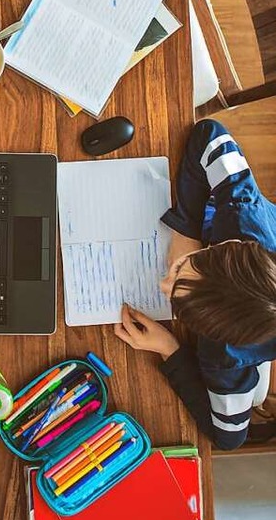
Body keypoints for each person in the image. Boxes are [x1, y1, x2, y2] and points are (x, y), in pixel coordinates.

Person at [113, 119, 276, 450]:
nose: (162, 284)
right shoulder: (242, 213)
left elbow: (229, 437)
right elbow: (209, 134)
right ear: (219, 247)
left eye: (175, 302)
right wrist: (185, 234)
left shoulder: (225, 358)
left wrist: (168, 349)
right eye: (179, 270)